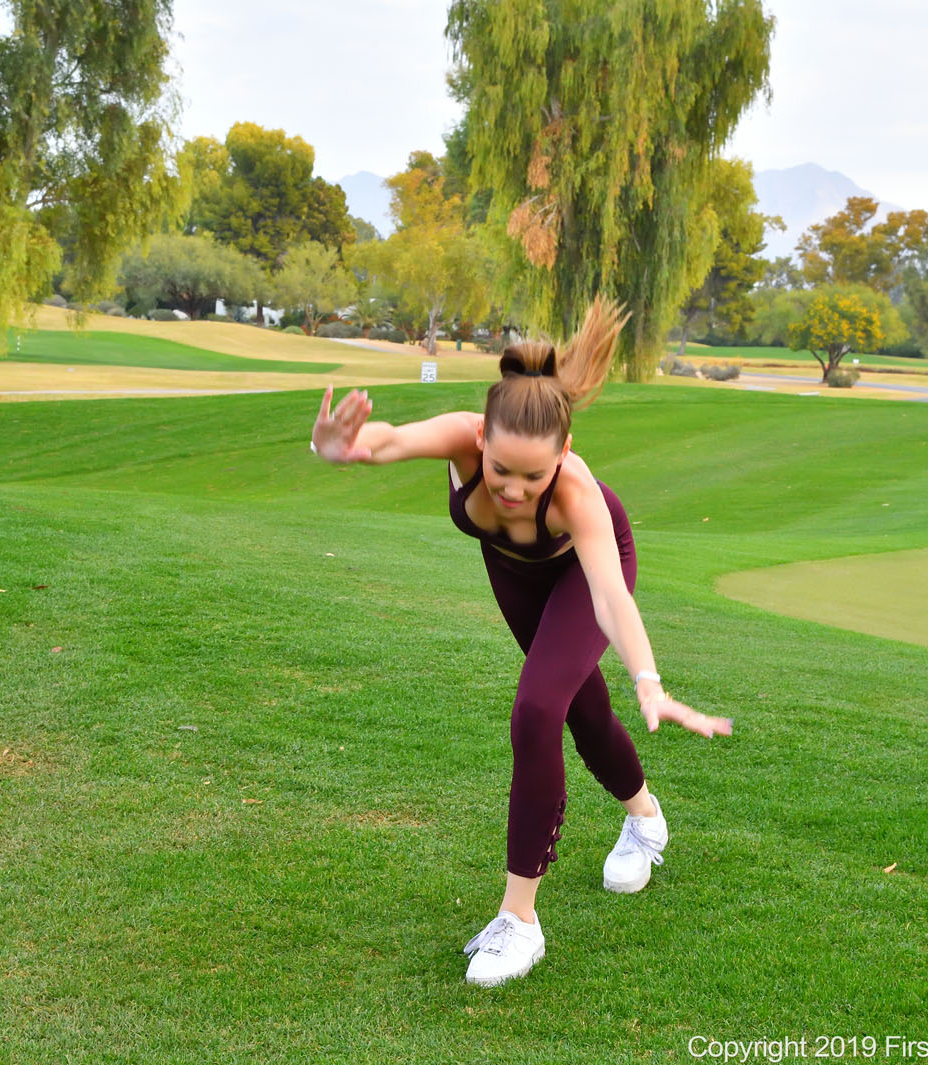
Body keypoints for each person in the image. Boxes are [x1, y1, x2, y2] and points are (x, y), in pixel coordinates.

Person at [309, 294, 732, 987]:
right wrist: (339, 449)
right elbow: (383, 440)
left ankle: (520, 921)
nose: (512, 488)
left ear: (563, 453)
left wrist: (649, 679)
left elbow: (609, 596)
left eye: (534, 475)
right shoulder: (461, 434)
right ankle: (645, 817)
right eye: (501, 469)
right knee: (581, 710)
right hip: (514, 573)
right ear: (481, 439)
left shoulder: (576, 494)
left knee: (537, 708)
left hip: (586, 572)